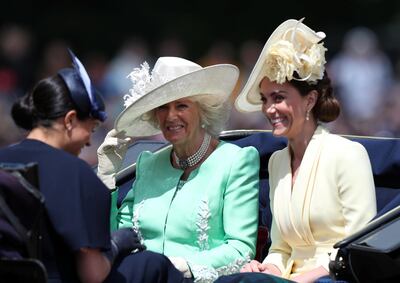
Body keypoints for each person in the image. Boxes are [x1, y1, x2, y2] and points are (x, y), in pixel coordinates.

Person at [0, 50, 181, 283]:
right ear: (70, 120)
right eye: (92, 129)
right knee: (152, 264)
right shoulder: (74, 172)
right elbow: (93, 274)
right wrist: (115, 246)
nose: (88, 141)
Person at [223, 19, 377, 282]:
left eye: (279, 98)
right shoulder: (276, 162)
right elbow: (281, 248)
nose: (269, 109)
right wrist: (266, 268)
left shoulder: (349, 154)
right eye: (265, 99)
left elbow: (359, 248)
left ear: (310, 100)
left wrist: (304, 278)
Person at [96, 56, 260, 282]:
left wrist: (182, 266)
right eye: (163, 107)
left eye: (181, 105)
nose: (171, 116)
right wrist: (106, 177)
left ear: (202, 110)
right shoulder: (148, 164)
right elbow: (115, 237)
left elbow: (240, 248)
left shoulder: (236, 161)